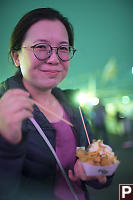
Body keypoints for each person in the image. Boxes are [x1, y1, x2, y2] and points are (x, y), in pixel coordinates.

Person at [0, 8, 113, 200]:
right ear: (16, 57)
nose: (54, 59)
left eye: (62, 48)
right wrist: (7, 145)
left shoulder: (73, 104)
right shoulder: (4, 109)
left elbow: (101, 165)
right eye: (41, 47)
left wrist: (100, 174)